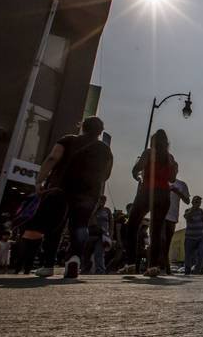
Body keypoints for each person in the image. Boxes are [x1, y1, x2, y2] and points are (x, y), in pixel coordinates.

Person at [20, 117, 113, 278]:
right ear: (100, 131)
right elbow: (106, 174)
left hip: (61, 187)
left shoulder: (68, 140)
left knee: (55, 225)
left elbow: (52, 158)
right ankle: (74, 259)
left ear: (82, 127)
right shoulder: (105, 149)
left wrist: (39, 181)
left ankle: (48, 264)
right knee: (80, 225)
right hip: (89, 192)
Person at [122, 129, 178, 277]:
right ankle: (153, 266)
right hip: (164, 195)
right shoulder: (170, 158)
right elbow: (172, 179)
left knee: (132, 225)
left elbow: (136, 170)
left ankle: (130, 263)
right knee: (156, 231)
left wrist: (139, 177)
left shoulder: (148, 153)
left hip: (147, 192)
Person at [163, 174, 190, 275]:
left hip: (172, 217)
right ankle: (159, 265)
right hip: (160, 215)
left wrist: (177, 192)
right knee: (160, 240)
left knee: (167, 243)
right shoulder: (161, 181)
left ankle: (166, 268)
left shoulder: (181, 185)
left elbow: (187, 201)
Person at [83, 195, 112, 274]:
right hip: (91, 234)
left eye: (104, 200)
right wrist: (95, 207)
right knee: (86, 254)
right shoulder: (92, 210)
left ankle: (100, 271)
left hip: (102, 235)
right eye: (101, 200)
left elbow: (111, 223)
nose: (102, 202)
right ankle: (85, 269)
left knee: (99, 254)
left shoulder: (107, 210)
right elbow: (89, 218)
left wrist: (110, 235)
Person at [183, 196, 203, 275]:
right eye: (197, 202)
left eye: (200, 202)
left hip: (200, 237)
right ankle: (187, 271)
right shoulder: (188, 210)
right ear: (193, 202)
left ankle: (197, 270)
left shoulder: (201, 211)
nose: (198, 204)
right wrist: (193, 208)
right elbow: (187, 217)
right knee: (188, 255)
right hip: (190, 237)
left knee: (202, 252)